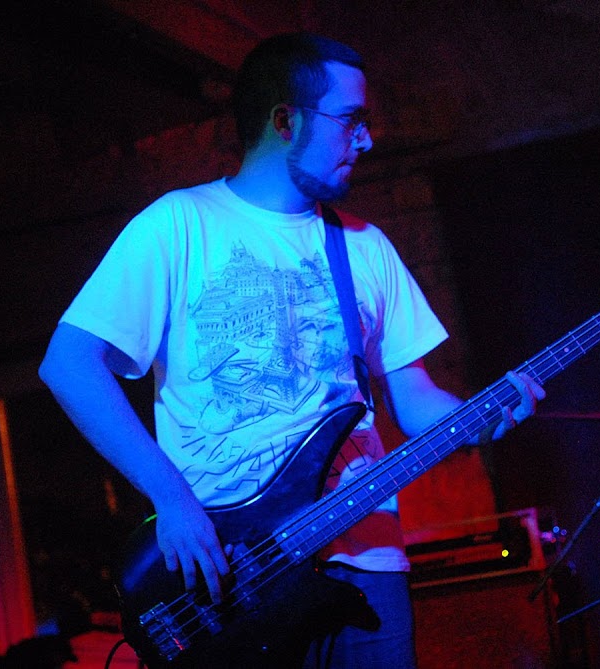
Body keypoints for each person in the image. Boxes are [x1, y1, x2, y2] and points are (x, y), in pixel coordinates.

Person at [38, 32, 545, 668]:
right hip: (228, 572)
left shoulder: (365, 246)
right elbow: (69, 364)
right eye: (351, 120)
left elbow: (413, 399)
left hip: (367, 560)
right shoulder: (177, 225)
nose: (367, 140)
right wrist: (171, 499)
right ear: (286, 121)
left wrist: (481, 417)